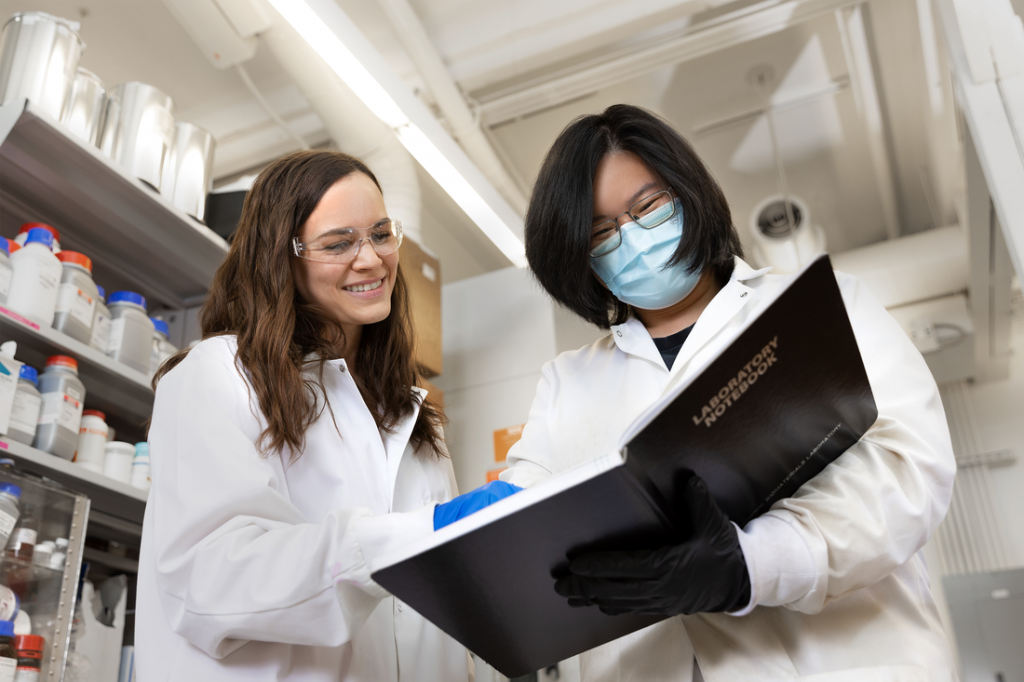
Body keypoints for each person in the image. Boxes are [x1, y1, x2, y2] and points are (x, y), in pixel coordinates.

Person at [500, 105, 957, 681]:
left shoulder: (822, 306)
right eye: (601, 232)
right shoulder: (566, 383)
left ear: (690, 194)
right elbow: (524, 522)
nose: (632, 238)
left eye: (648, 208)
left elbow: (907, 472)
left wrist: (751, 564)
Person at [137, 150, 513, 681]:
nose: (370, 258)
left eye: (382, 234)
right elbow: (210, 579)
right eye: (339, 243)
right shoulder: (217, 377)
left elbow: (442, 616)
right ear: (279, 257)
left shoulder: (410, 414)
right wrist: (394, 543)